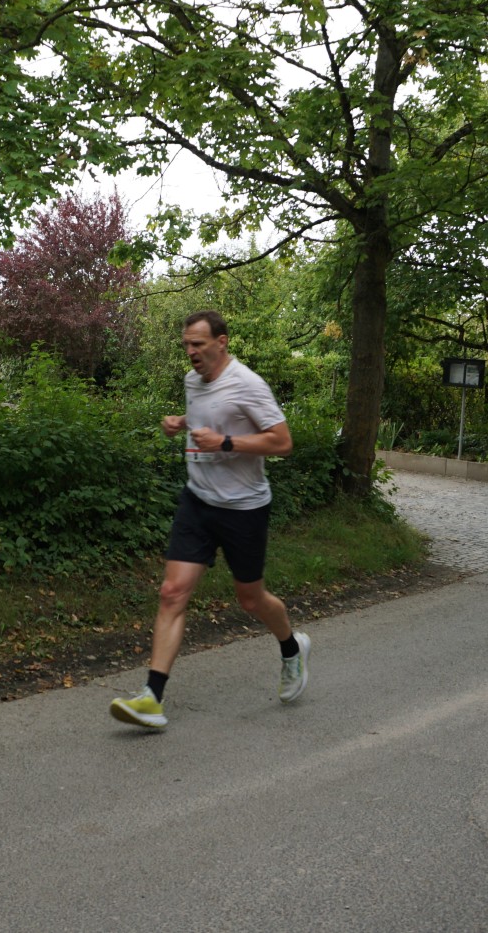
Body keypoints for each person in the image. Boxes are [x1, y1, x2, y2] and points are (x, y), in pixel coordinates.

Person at [109, 310, 309, 731]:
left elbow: (283, 442)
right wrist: (180, 423)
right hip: (198, 501)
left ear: (222, 342)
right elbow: (207, 415)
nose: (191, 352)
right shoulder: (192, 381)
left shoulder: (248, 384)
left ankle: (292, 648)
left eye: (198, 344)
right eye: (186, 344)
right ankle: (151, 698)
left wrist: (226, 442)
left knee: (250, 600)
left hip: (244, 508)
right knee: (171, 593)